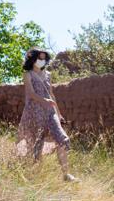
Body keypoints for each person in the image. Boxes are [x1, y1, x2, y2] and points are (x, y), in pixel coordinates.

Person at [17, 48, 77, 181]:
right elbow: (31, 94)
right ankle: (36, 176)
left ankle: (66, 174)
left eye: (44, 58)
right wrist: (44, 101)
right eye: (39, 58)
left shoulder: (48, 74)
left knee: (63, 139)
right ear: (32, 59)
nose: (41, 61)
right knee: (36, 144)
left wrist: (59, 113)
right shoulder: (28, 74)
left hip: (50, 111)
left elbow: (51, 94)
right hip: (35, 111)